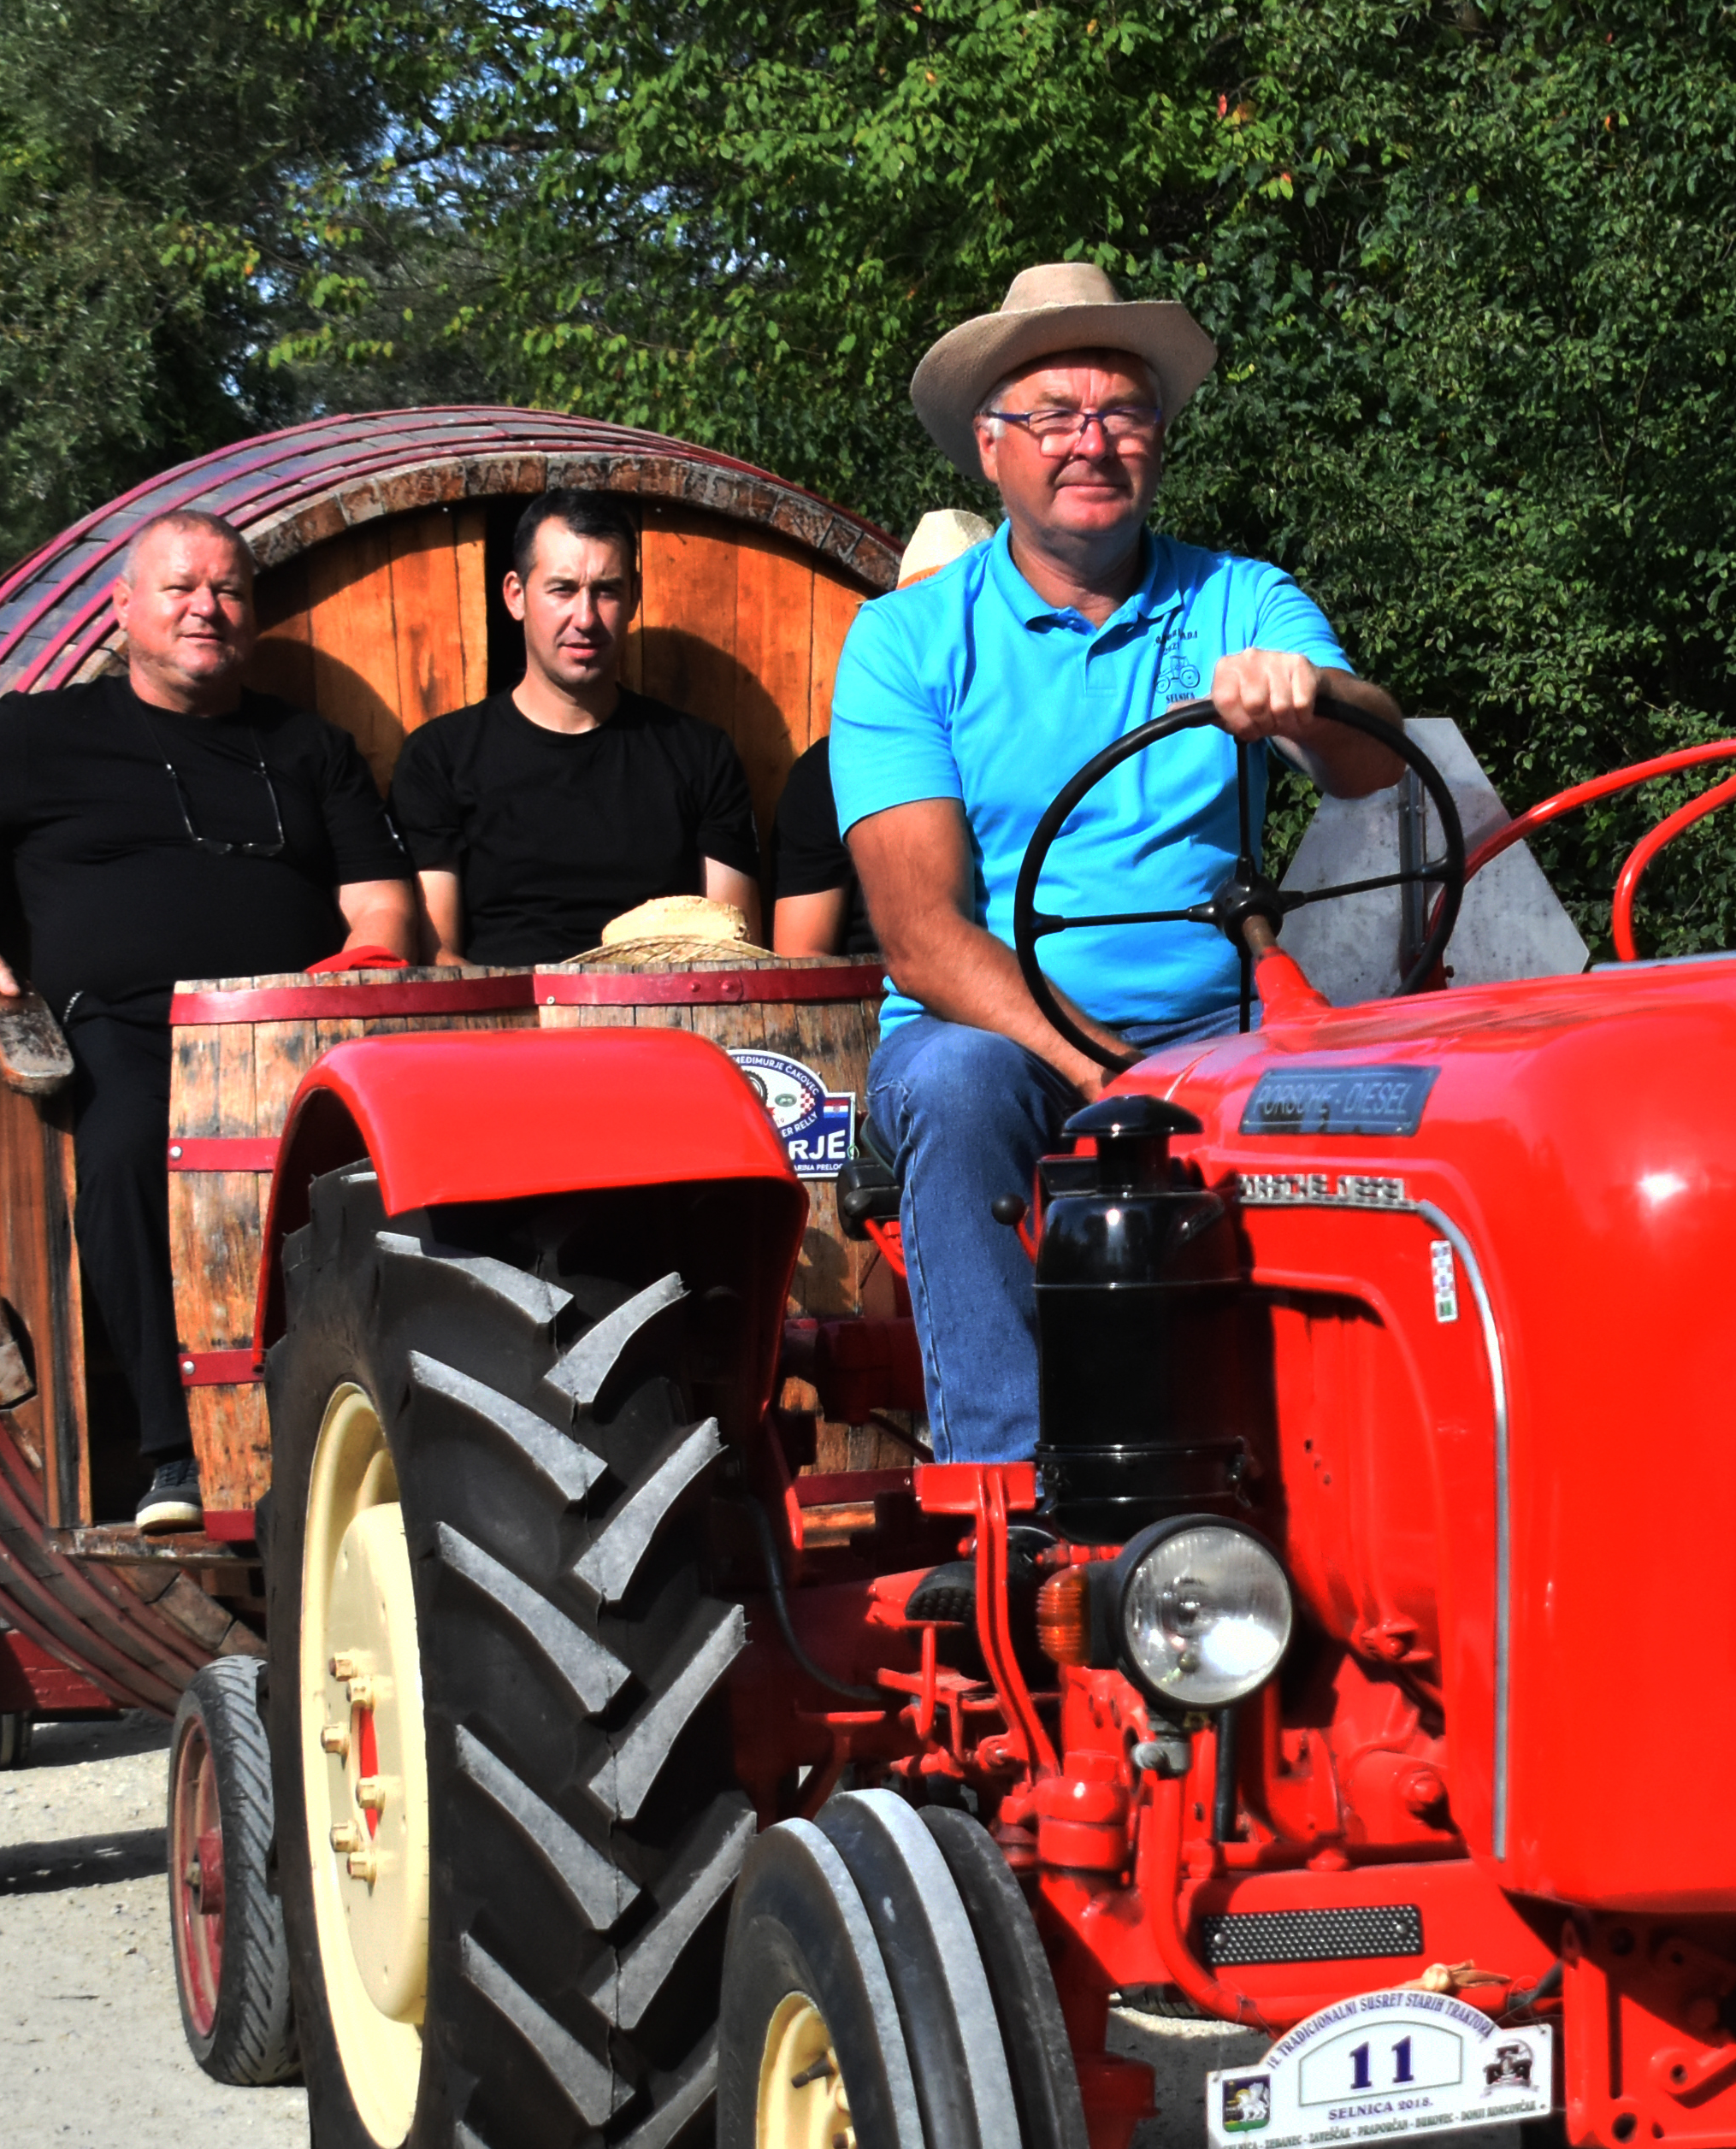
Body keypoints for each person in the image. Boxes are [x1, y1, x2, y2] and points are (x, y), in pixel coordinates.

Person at [836, 263, 1408, 1461]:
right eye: (1054, 415)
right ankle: (1015, 1488)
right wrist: (1103, 1068)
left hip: (1227, 1031)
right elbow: (922, 936)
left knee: (1420, 1097)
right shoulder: (906, 640)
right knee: (957, 1085)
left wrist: (1308, 701)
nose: (1089, 443)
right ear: (991, 449)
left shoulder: (1239, 597)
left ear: (1157, 442)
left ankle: (1353, 1460)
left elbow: (1373, 764)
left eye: (1123, 413)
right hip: (1007, 1041)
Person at [0, 511, 421, 1533]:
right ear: (123, 609)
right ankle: (176, 1454)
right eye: (180, 587)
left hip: (288, 1031)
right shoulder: (41, 735)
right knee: (120, 1154)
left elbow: (381, 904)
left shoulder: (307, 747)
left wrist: (356, 976)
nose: (208, 607)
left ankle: (373, 1435)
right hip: (122, 1029)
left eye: (230, 590)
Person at [392, 492, 758, 969]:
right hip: (504, 1030)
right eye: (562, 589)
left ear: (634, 598)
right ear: (516, 596)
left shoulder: (702, 756)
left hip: (662, 1028)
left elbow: (734, 949)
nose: (585, 618)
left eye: (606, 590)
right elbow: (438, 957)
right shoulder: (438, 758)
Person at [774, 511, 995, 959]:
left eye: (972, 623)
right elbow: (803, 960)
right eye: (926, 618)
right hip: (883, 1013)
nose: (950, 641)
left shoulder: (1042, 744)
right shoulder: (826, 773)